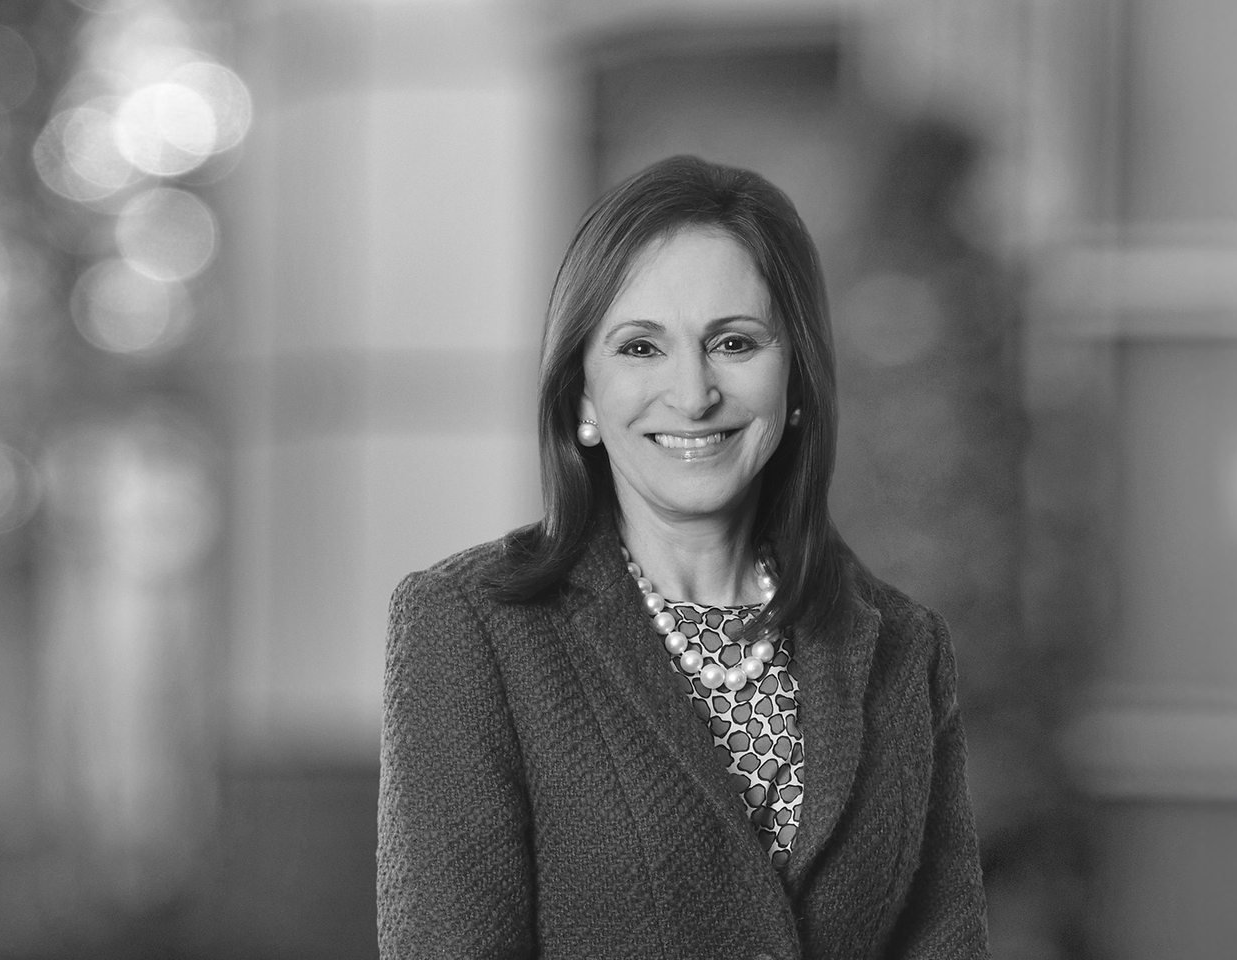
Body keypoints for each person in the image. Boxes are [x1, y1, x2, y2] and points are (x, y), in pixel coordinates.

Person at [377, 155, 988, 958]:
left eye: (733, 343)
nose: (694, 394)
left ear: (796, 377)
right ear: (582, 391)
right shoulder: (472, 628)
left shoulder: (905, 648)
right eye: (641, 348)